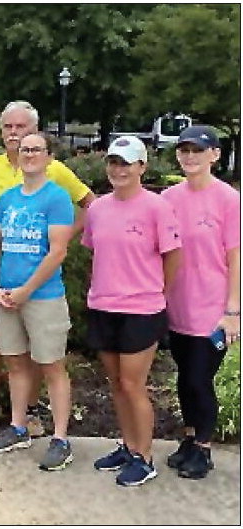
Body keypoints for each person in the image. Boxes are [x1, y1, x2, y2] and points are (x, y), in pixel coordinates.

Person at [0, 100, 95, 435]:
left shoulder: (55, 176)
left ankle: (35, 411)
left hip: (39, 276)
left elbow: (89, 204)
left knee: (42, 351)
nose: (14, 134)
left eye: (21, 127)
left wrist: (62, 238)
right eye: (8, 127)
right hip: (2, 272)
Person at [84, 136, 181, 487]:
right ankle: (128, 446)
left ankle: (145, 456)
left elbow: (173, 256)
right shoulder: (97, 209)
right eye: (113, 162)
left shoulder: (157, 208)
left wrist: (159, 293)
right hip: (103, 305)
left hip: (142, 308)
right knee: (116, 384)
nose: (118, 169)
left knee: (133, 384)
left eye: (126, 163)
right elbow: (97, 251)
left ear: (142, 167)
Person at [0, 132, 76, 471]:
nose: (30, 155)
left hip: (44, 297)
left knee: (51, 367)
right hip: (6, 295)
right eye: (25, 150)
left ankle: (61, 438)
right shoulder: (7, 199)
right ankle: (18, 427)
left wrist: (27, 289)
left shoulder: (57, 198)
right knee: (16, 365)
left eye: (37, 150)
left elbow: (58, 251)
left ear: (49, 157)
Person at [162, 125, 240, 479]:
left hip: (213, 310)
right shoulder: (169, 198)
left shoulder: (228, 199)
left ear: (215, 155)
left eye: (197, 150)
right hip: (177, 305)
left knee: (199, 378)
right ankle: (190, 439)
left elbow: (235, 257)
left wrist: (233, 311)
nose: (190, 156)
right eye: (184, 150)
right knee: (183, 378)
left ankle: (204, 449)